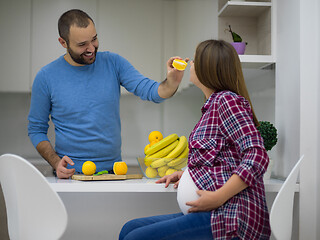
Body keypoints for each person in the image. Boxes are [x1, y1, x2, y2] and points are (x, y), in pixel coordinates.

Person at [119, 40, 271, 240]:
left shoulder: (226, 101)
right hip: (211, 213)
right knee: (129, 229)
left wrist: (219, 197)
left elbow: (257, 155)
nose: (191, 63)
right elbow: (222, 159)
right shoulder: (213, 106)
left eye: (195, 59)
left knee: (134, 238)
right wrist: (188, 174)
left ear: (208, 67)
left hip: (228, 216)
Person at [28, 9, 188, 179]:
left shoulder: (113, 63)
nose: (91, 48)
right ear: (63, 43)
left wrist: (173, 80)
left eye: (94, 39)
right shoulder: (46, 77)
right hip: (69, 176)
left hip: (113, 173)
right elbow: (36, 129)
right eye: (82, 45)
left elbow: (151, 92)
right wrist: (55, 162)